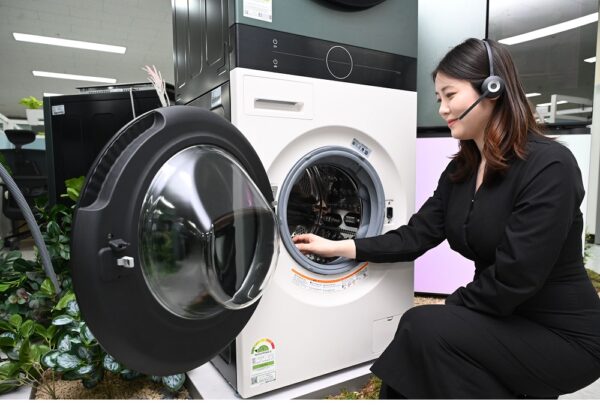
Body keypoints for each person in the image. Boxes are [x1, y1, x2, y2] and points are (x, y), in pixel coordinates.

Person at [292, 38, 600, 399]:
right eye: (439, 98)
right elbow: (415, 236)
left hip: (562, 335)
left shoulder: (550, 166)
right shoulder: (462, 171)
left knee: (424, 327)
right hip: (501, 317)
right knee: (426, 337)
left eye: (450, 95)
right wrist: (339, 246)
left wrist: (451, 306)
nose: (442, 108)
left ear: (492, 89)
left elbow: (517, 276)